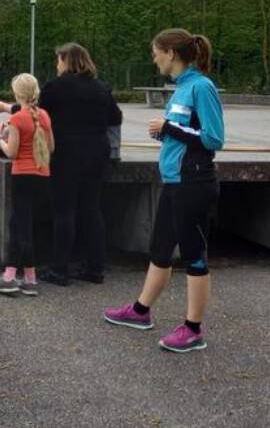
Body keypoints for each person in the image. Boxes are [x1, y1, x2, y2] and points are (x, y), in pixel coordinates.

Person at [104, 29, 223, 353]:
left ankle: (193, 329)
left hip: (193, 183)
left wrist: (169, 128)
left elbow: (214, 139)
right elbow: (188, 133)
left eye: (156, 52)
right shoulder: (181, 89)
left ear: (171, 53)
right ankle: (141, 312)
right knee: (159, 250)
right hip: (175, 182)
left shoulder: (201, 87)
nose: (153, 58)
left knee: (194, 256)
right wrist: (168, 135)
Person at [36, 42, 123, 285]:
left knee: (64, 211)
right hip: (97, 153)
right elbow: (115, 119)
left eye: (58, 60)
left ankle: (59, 269)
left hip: (66, 154)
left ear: (66, 60)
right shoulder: (101, 88)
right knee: (92, 210)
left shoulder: (55, 87)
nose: (57, 65)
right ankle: (95, 269)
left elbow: (39, 117)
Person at [0, 74, 53, 297]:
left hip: (23, 175)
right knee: (26, 225)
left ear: (17, 94)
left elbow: (11, 152)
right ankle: (30, 278)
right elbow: (50, 148)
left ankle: (10, 277)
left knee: (19, 226)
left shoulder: (17, 119)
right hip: (42, 174)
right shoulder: (44, 115)